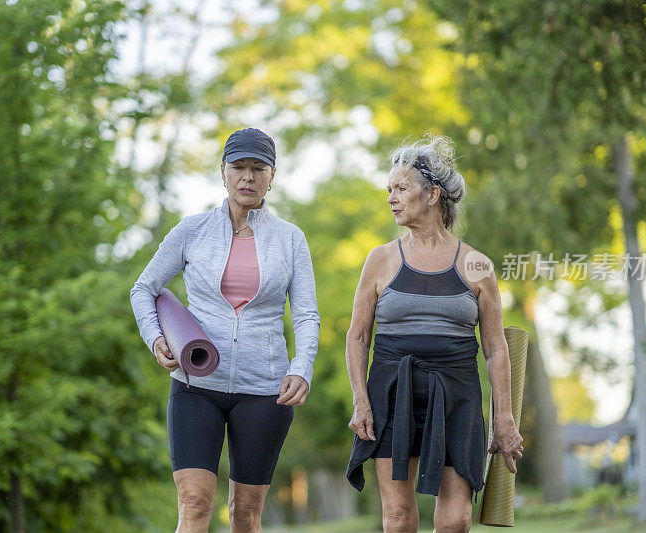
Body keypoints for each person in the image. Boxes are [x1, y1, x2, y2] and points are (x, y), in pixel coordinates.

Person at [130, 128, 320, 533]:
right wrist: (155, 337)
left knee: (245, 513)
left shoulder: (290, 239)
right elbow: (144, 289)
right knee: (195, 503)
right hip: (196, 383)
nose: (247, 178)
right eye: (238, 168)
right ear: (223, 172)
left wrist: (301, 367)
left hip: (265, 389)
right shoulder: (191, 230)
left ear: (272, 176)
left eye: (257, 169)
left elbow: (305, 314)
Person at [344, 134, 523, 533]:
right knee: (398, 517)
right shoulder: (380, 259)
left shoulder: (477, 264)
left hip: (457, 395)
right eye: (388, 189)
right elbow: (357, 337)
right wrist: (361, 401)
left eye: (401, 188)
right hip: (391, 393)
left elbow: (494, 349)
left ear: (432, 195)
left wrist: (504, 420)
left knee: (456, 521)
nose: (391, 197)